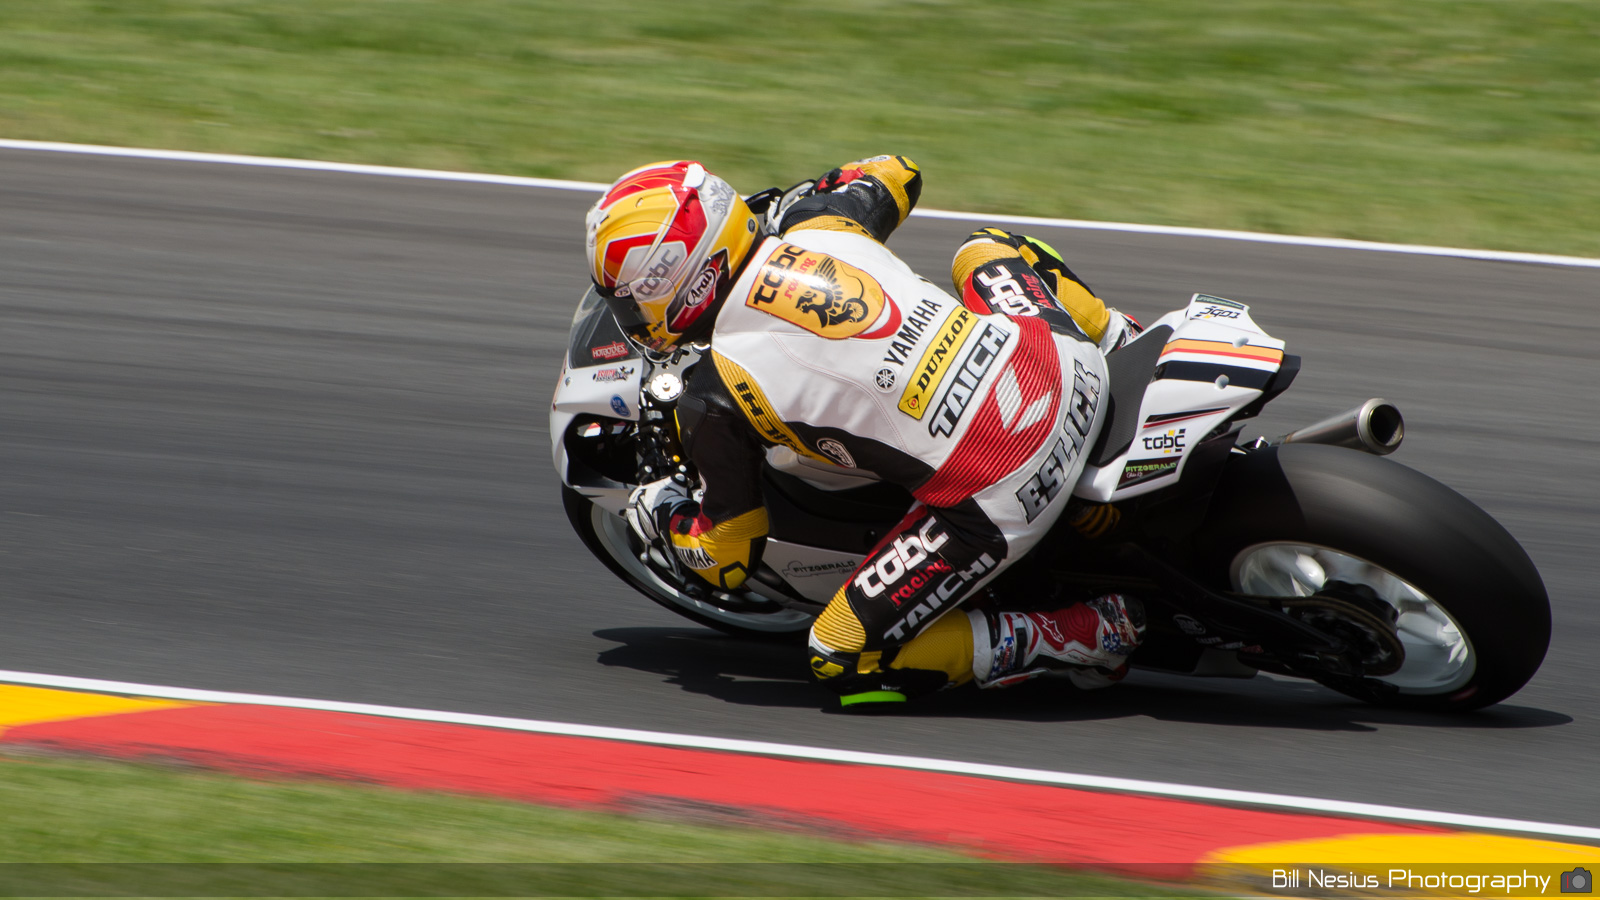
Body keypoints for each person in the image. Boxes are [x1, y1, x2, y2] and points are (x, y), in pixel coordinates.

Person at [584, 156, 1145, 707]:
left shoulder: (714, 395)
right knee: (988, 249)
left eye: (632, 302)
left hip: (1009, 484)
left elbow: (729, 558)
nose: (633, 318)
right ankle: (1122, 339)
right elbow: (898, 170)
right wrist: (820, 188)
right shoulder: (820, 222)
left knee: (839, 656)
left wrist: (661, 512)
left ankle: (1080, 636)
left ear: (683, 283)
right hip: (1067, 365)